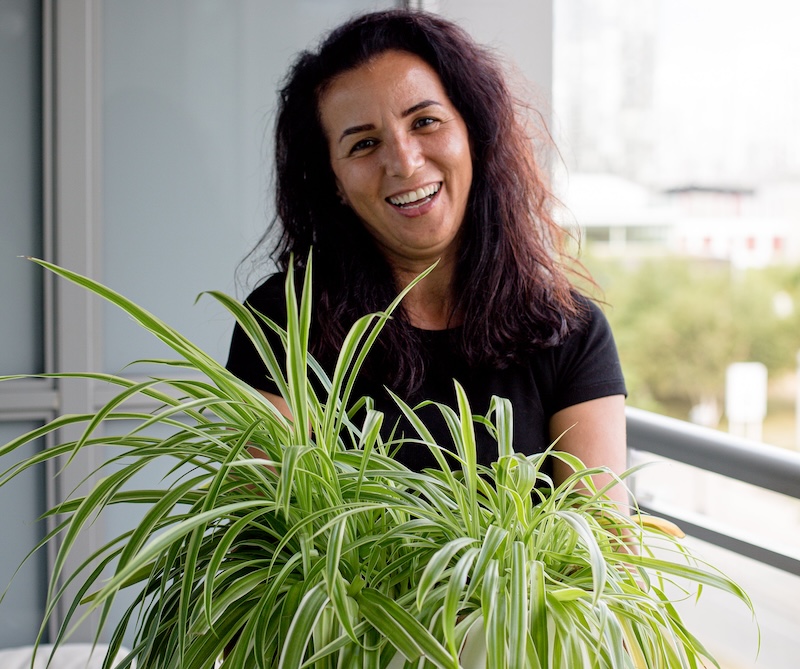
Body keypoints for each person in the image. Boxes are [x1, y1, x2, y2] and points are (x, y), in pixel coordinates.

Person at [226, 9, 628, 503]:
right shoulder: (284, 321)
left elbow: (606, 551)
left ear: (473, 134)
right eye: (365, 143)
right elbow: (260, 543)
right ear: (334, 181)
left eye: (426, 121)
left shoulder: (569, 331)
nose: (404, 161)